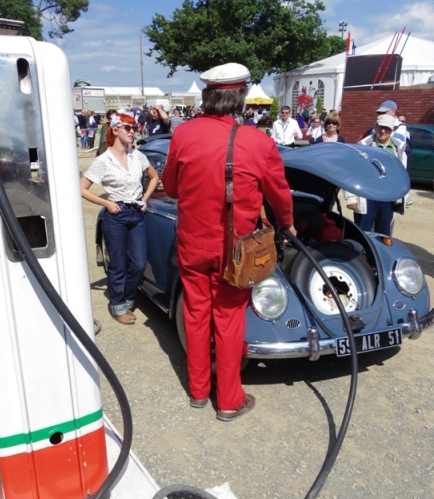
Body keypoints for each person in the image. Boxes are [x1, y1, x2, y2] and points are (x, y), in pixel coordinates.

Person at [161, 63, 295, 421]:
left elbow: (171, 187)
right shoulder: (257, 140)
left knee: (195, 312)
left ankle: (199, 391)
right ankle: (230, 400)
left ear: (208, 96)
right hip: (235, 250)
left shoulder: (184, 134)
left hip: (191, 243)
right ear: (239, 98)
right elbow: (279, 193)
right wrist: (287, 223)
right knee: (229, 318)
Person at [81, 112, 159, 324]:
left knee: (139, 262)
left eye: (134, 128)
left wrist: (145, 197)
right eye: (128, 127)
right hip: (116, 214)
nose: (133, 131)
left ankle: (127, 297)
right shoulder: (103, 160)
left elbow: (154, 177)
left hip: (137, 212)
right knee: (118, 263)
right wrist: (106, 203)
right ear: (115, 130)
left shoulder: (137, 155)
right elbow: (82, 188)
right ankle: (117, 305)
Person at [344, 114, 402, 235]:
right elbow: (352, 172)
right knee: (362, 233)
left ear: (392, 130)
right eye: (380, 127)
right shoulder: (363, 146)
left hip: (388, 198)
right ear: (375, 127)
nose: (383, 131)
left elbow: (401, 174)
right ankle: (361, 254)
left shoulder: (398, 148)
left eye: (387, 128)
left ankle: (381, 254)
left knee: (384, 235)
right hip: (367, 196)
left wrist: (401, 197)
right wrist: (351, 197)